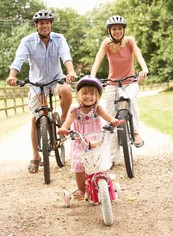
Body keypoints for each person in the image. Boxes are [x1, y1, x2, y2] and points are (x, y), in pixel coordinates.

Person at [7, 10, 76, 174]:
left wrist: (71, 72)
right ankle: (35, 156)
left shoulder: (59, 39)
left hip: (55, 79)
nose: (44, 25)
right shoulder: (27, 41)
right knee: (35, 118)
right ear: (36, 25)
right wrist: (12, 76)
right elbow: (19, 59)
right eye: (40, 23)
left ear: (51, 24)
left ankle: (64, 118)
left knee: (66, 90)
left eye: (47, 22)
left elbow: (65, 56)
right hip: (36, 82)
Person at [91, 15, 149, 165]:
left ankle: (135, 133)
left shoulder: (129, 41)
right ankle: (112, 157)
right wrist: (92, 76)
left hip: (130, 82)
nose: (117, 31)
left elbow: (139, 55)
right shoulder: (106, 44)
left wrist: (144, 69)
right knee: (110, 119)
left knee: (131, 100)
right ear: (109, 31)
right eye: (114, 29)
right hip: (113, 84)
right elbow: (98, 59)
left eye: (119, 29)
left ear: (123, 30)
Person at [58, 75, 120, 200]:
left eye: (92, 94)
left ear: (97, 96)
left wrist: (113, 121)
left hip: (96, 139)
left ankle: (104, 184)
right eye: (85, 93)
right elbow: (68, 121)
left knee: (99, 161)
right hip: (80, 140)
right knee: (79, 165)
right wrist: (63, 128)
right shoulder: (75, 110)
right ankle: (81, 189)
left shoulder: (97, 108)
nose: (88, 96)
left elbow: (107, 116)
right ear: (79, 95)